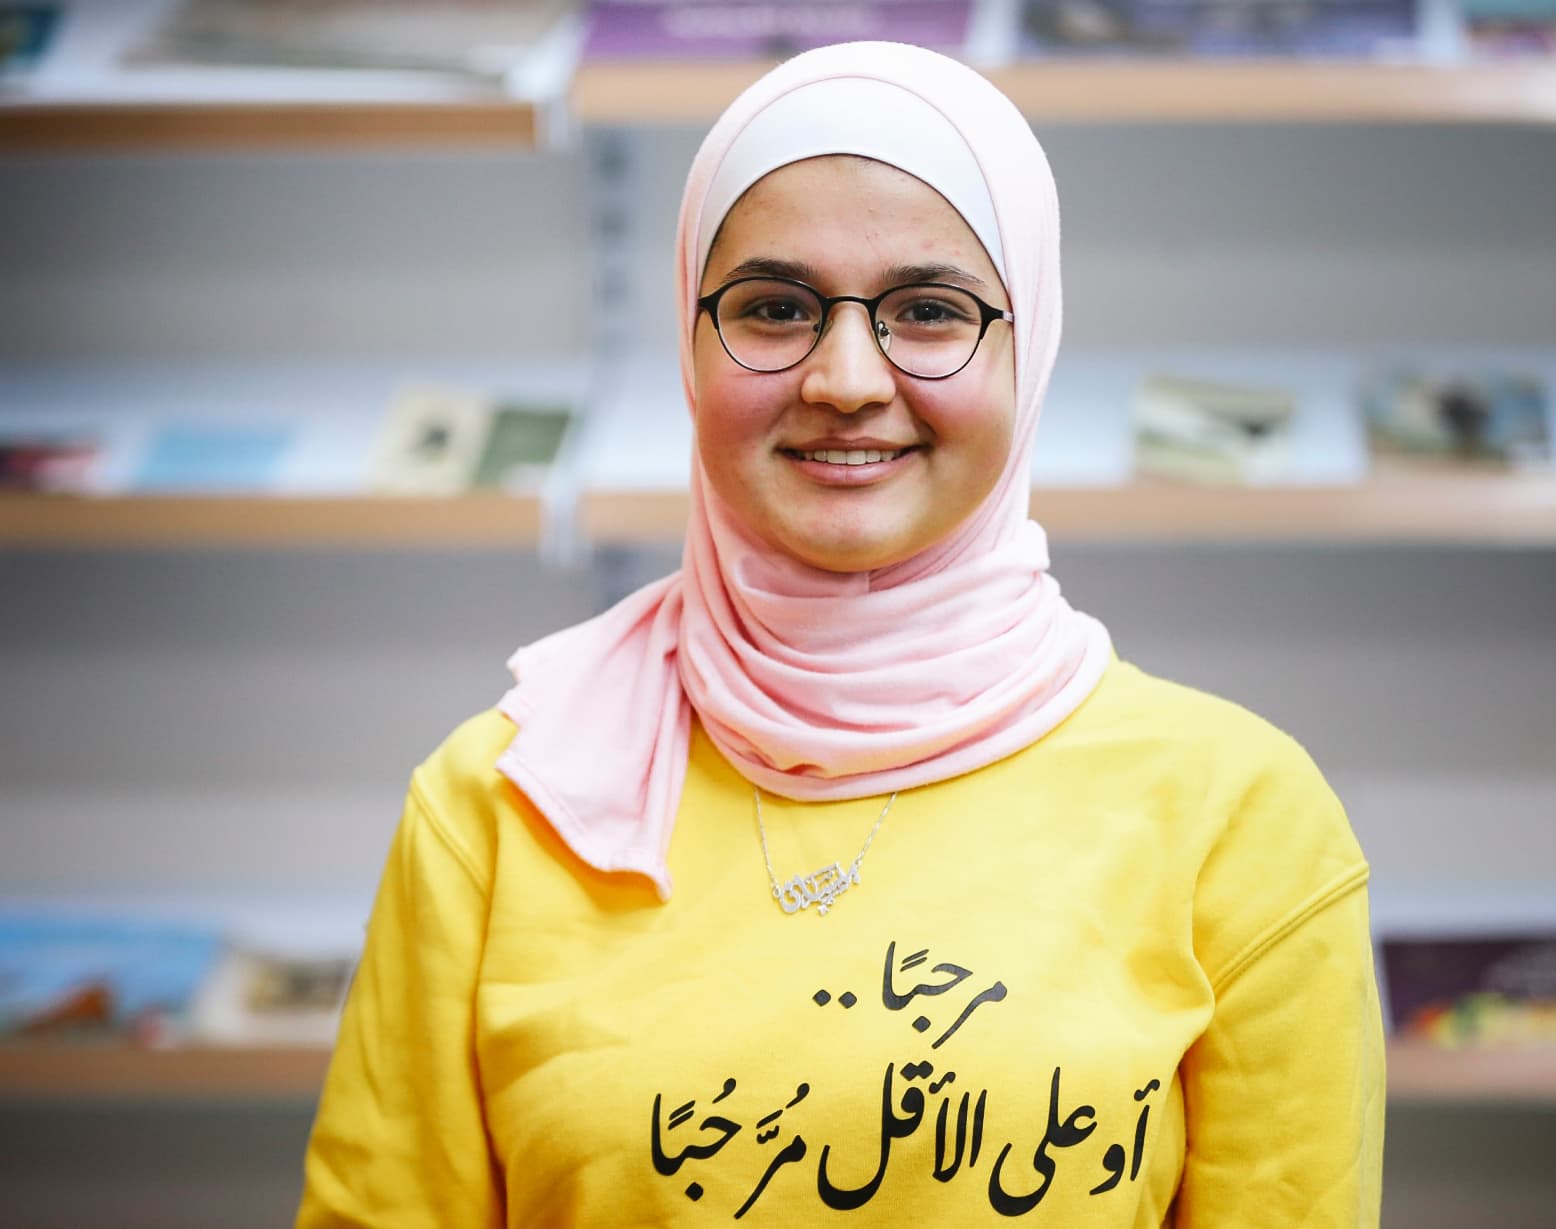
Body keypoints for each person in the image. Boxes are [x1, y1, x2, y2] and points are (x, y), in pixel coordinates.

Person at [296, 40, 1383, 1227]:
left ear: (1033, 342)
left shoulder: (1237, 814)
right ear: (690, 339)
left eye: (928, 310)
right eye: (774, 308)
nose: (846, 376)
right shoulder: (501, 804)